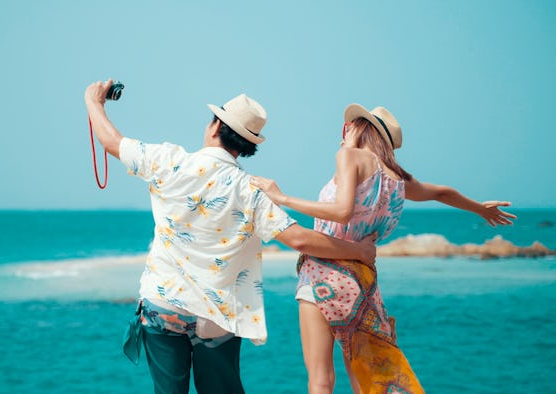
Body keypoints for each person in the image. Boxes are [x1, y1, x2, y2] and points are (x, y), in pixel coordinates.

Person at [84, 80, 379, 394]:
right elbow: (300, 239)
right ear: (247, 147)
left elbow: (111, 142)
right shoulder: (249, 189)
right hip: (217, 315)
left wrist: (94, 102)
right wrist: (358, 251)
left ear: (214, 127)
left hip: (162, 302)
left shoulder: (168, 160)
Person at [250, 103, 516, 394]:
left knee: (320, 380)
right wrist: (479, 209)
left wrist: (282, 197)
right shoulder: (397, 179)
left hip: (322, 274)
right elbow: (441, 192)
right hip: (362, 282)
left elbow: (341, 211)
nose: (344, 131)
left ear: (358, 129)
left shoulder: (349, 155)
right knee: (367, 381)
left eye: (349, 125)